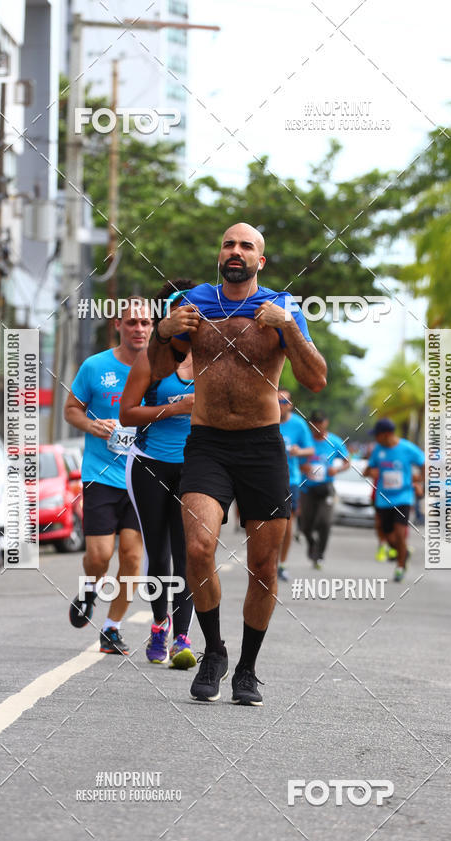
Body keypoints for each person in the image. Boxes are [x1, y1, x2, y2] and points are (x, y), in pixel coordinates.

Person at [148, 222, 326, 705]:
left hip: (262, 447)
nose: (236, 251)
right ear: (219, 254)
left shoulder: (283, 307)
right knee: (198, 547)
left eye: (246, 246)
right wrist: (162, 333)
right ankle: (213, 651)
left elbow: (315, 380)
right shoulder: (194, 304)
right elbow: (158, 372)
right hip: (207, 443)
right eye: (229, 243)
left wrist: (289, 327)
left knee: (263, 565)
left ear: (259, 261)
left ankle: (247, 669)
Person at [63, 297, 152, 653]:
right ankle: (90, 588)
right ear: (118, 325)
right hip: (100, 474)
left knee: (131, 557)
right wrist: (93, 426)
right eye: (132, 322)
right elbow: (71, 409)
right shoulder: (95, 366)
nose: (139, 329)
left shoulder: (161, 370)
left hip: (142, 476)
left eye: (145, 323)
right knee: (100, 555)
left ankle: (111, 628)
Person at [120, 287, 197, 669]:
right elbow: (127, 414)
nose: (189, 318)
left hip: (195, 468)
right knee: (159, 553)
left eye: (196, 312)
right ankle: (158, 626)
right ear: (168, 317)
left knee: (189, 553)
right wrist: (176, 408)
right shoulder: (150, 359)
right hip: (149, 464)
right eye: (181, 311)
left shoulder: (215, 358)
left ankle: (182, 637)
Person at [363, 418, 425, 582]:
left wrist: (420, 482)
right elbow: (367, 470)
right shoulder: (378, 450)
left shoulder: (407, 448)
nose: (375, 438)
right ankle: (404, 552)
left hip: (403, 497)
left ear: (386, 434)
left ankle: (400, 567)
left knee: (400, 533)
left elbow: (425, 463)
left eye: (377, 435)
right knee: (390, 538)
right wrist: (370, 472)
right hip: (383, 499)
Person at [299, 410, 350, 569]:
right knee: (306, 525)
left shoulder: (334, 441)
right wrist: (303, 467)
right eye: (315, 423)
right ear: (311, 425)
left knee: (325, 522)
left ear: (326, 423)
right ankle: (311, 543)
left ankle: (319, 554)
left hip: (326, 488)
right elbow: (294, 460)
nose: (318, 427)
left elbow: (347, 462)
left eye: (321, 423)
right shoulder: (305, 441)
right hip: (307, 488)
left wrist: (337, 470)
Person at [277, 389, 314, 582]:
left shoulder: (298, 424)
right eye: (277, 401)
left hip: (290, 481)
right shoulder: (265, 419)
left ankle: (282, 563)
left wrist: (299, 452)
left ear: (290, 405)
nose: (280, 405)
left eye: (283, 402)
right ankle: (266, 562)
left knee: (287, 523)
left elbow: (310, 449)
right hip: (266, 480)